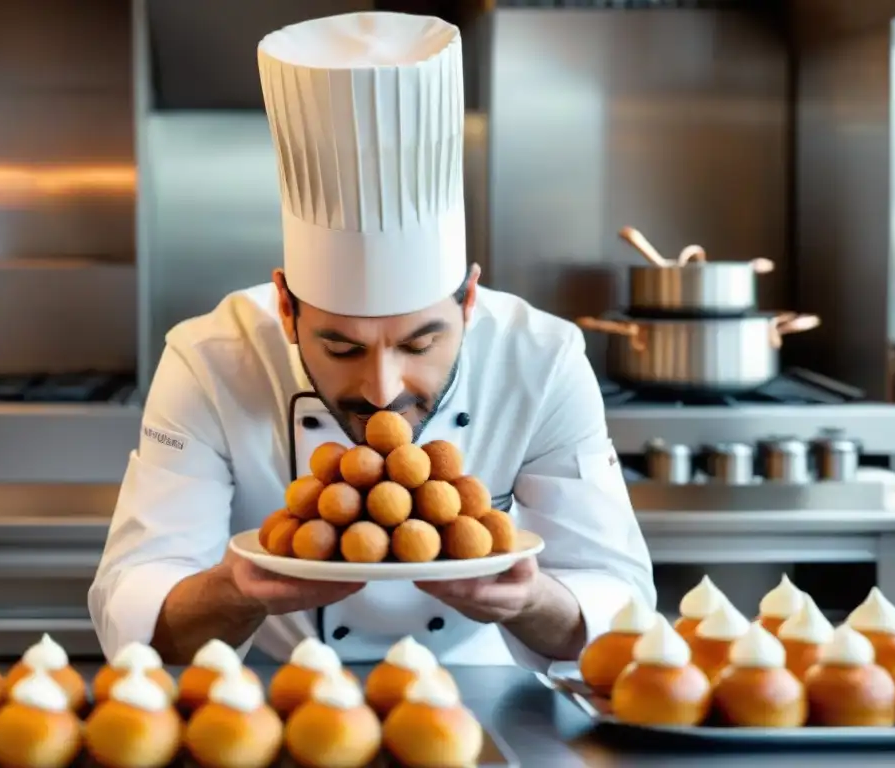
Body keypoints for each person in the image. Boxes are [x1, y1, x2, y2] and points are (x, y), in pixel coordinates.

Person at [89, 10, 654, 669]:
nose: (382, 391)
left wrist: (529, 602)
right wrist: (236, 589)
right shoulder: (209, 358)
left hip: (482, 703)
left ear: (469, 301)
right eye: (342, 348)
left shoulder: (542, 361)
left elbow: (621, 612)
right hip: (280, 702)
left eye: (419, 345)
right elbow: (133, 614)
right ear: (286, 307)